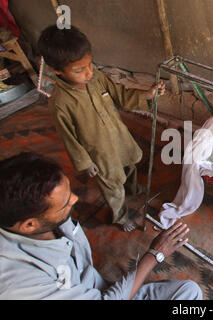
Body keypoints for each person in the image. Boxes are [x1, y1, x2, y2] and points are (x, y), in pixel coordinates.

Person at [0, 152, 202, 300]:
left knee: (189, 292)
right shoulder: (20, 284)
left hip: (98, 290)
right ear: (29, 225)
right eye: (64, 203)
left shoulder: (41, 221)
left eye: (69, 192)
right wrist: (155, 254)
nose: (75, 199)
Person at [37, 25, 166, 232]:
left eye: (90, 64)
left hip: (119, 138)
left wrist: (148, 95)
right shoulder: (60, 102)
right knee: (112, 185)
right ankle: (120, 216)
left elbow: (121, 95)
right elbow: (68, 136)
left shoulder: (96, 78)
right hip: (99, 152)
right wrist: (86, 162)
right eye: (79, 70)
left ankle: (132, 189)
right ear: (57, 71)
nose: (88, 73)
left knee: (130, 164)